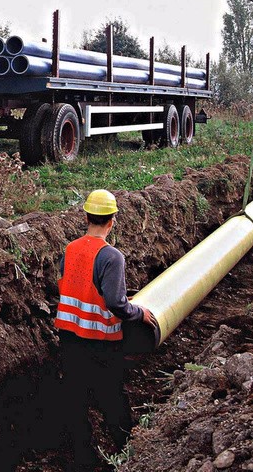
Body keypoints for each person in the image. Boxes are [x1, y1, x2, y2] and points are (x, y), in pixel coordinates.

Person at [55, 189, 157, 471]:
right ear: (112, 221)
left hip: (69, 337)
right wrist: (139, 313)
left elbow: (75, 286)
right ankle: (128, 453)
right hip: (99, 341)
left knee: (75, 399)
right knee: (112, 397)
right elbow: (114, 302)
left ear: (86, 217)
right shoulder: (111, 256)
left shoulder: (71, 249)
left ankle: (81, 459)